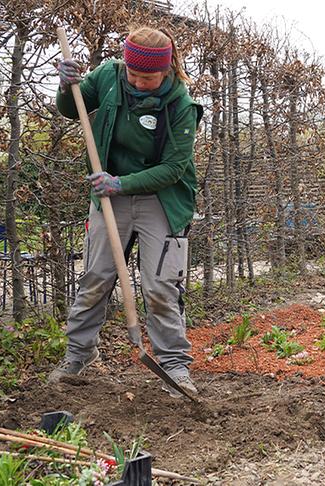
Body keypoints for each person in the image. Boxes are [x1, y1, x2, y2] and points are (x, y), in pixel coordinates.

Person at [48, 26, 202, 399]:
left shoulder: (181, 105)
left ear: (165, 70)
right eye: (133, 73)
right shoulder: (109, 76)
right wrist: (66, 85)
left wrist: (122, 183)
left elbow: (173, 169)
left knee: (162, 285)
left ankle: (174, 365)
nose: (137, 81)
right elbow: (72, 108)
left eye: (147, 77)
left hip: (160, 199)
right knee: (96, 278)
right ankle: (78, 354)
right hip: (108, 196)